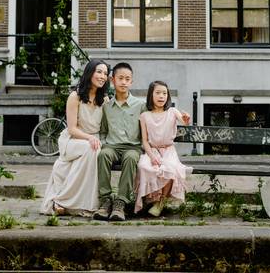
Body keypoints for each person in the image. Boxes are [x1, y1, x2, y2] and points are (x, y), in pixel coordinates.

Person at [40, 59, 109, 217]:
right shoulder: (75, 96)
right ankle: (62, 200)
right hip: (73, 140)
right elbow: (72, 129)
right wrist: (89, 138)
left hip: (94, 140)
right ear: (90, 73)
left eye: (105, 73)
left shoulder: (104, 99)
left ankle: (78, 202)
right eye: (99, 72)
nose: (102, 76)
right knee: (91, 148)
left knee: (94, 149)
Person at [94, 62, 145, 221]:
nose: (123, 82)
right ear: (112, 80)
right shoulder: (107, 106)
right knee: (103, 155)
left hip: (133, 147)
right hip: (112, 146)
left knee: (130, 158)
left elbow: (147, 129)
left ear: (132, 82)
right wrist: (103, 142)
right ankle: (105, 200)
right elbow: (103, 130)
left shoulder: (140, 105)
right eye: (120, 78)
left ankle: (120, 203)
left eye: (127, 79)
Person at [134, 80, 192, 217]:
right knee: (143, 166)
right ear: (151, 95)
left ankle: (161, 202)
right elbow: (144, 141)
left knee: (169, 169)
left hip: (168, 151)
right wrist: (152, 156)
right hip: (152, 151)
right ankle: (149, 199)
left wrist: (186, 118)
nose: (161, 96)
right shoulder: (144, 116)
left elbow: (184, 121)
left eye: (164, 93)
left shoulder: (172, 111)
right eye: (158, 93)